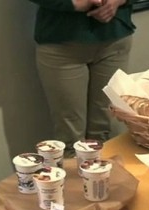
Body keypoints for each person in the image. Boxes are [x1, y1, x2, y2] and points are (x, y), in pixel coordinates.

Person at [29, 0, 136, 157]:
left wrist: (117, 1)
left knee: (107, 132)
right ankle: (77, 180)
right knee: (71, 139)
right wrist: (74, 3)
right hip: (61, 42)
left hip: (114, 40)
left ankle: (104, 180)